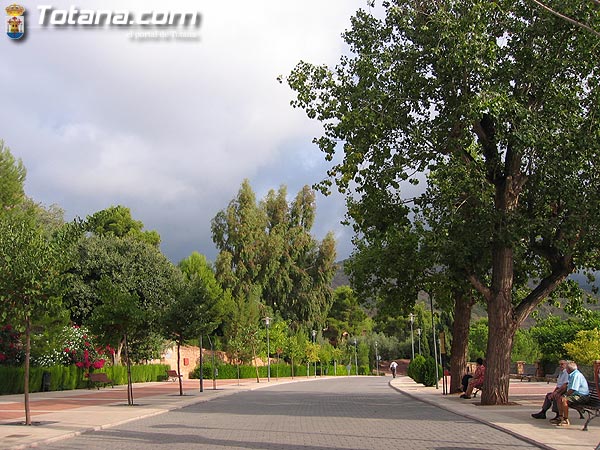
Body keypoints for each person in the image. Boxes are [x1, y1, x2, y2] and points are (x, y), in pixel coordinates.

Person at [552, 361, 590, 427]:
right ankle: (560, 417)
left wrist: (565, 395)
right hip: (576, 395)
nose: (565, 370)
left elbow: (573, 389)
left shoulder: (576, 375)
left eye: (566, 369)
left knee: (564, 399)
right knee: (559, 398)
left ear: (568, 369)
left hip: (582, 396)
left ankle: (566, 420)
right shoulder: (572, 375)